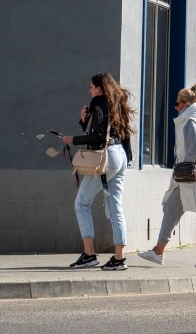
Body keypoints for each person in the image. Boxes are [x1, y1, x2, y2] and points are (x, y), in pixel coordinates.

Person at [139, 82, 196, 269]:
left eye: (177, 103)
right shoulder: (192, 120)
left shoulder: (191, 122)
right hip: (187, 178)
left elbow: (193, 151)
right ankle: (158, 251)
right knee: (171, 209)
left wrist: (184, 166)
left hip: (193, 177)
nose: (175, 107)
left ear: (186, 104)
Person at [63, 72, 133, 270]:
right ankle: (119, 258)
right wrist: (85, 120)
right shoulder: (118, 102)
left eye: (91, 87)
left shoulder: (98, 102)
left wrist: (72, 140)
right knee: (115, 206)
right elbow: (112, 132)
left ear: (100, 88)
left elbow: (96, 137)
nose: (90, 90)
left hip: (105, 157)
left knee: (81, 204)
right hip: (120, 155)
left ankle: (89, 254)